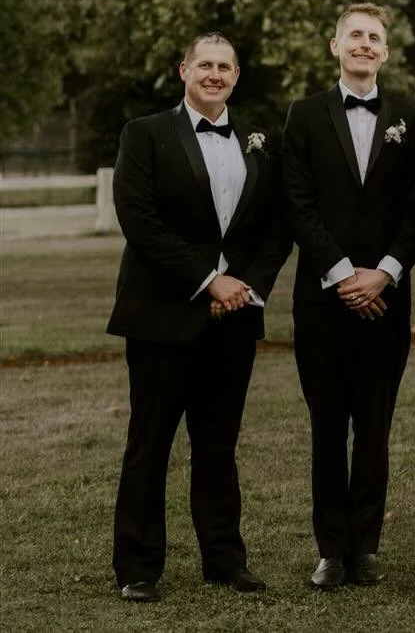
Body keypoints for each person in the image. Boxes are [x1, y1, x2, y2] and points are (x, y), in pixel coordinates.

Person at [107, 33, 292, 603]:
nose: (214, 74)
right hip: (162, 316)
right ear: (183, 70)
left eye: (224, 67)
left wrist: (247, 288)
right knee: (150, 443)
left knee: (219, 444)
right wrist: (209, 280)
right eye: (204, 64)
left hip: (233, 319)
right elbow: (139, 219)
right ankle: (138, 566)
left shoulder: (261, 140)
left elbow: (278, 225)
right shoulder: (144, 134)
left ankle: (224, 560)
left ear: (236, 76)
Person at [282, 2, 415, 590]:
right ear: (334, 45)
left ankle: (366, 546)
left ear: (385, 51)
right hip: (323, 300)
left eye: (374, 37)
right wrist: (343, 275)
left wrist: (384, 273)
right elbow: (297, 203)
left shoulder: (410, 117)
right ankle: (330, 550)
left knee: (374, 425)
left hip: (386, 299)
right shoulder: (304, 115)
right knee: (326, 426)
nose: (364, 44)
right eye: (355, 36)